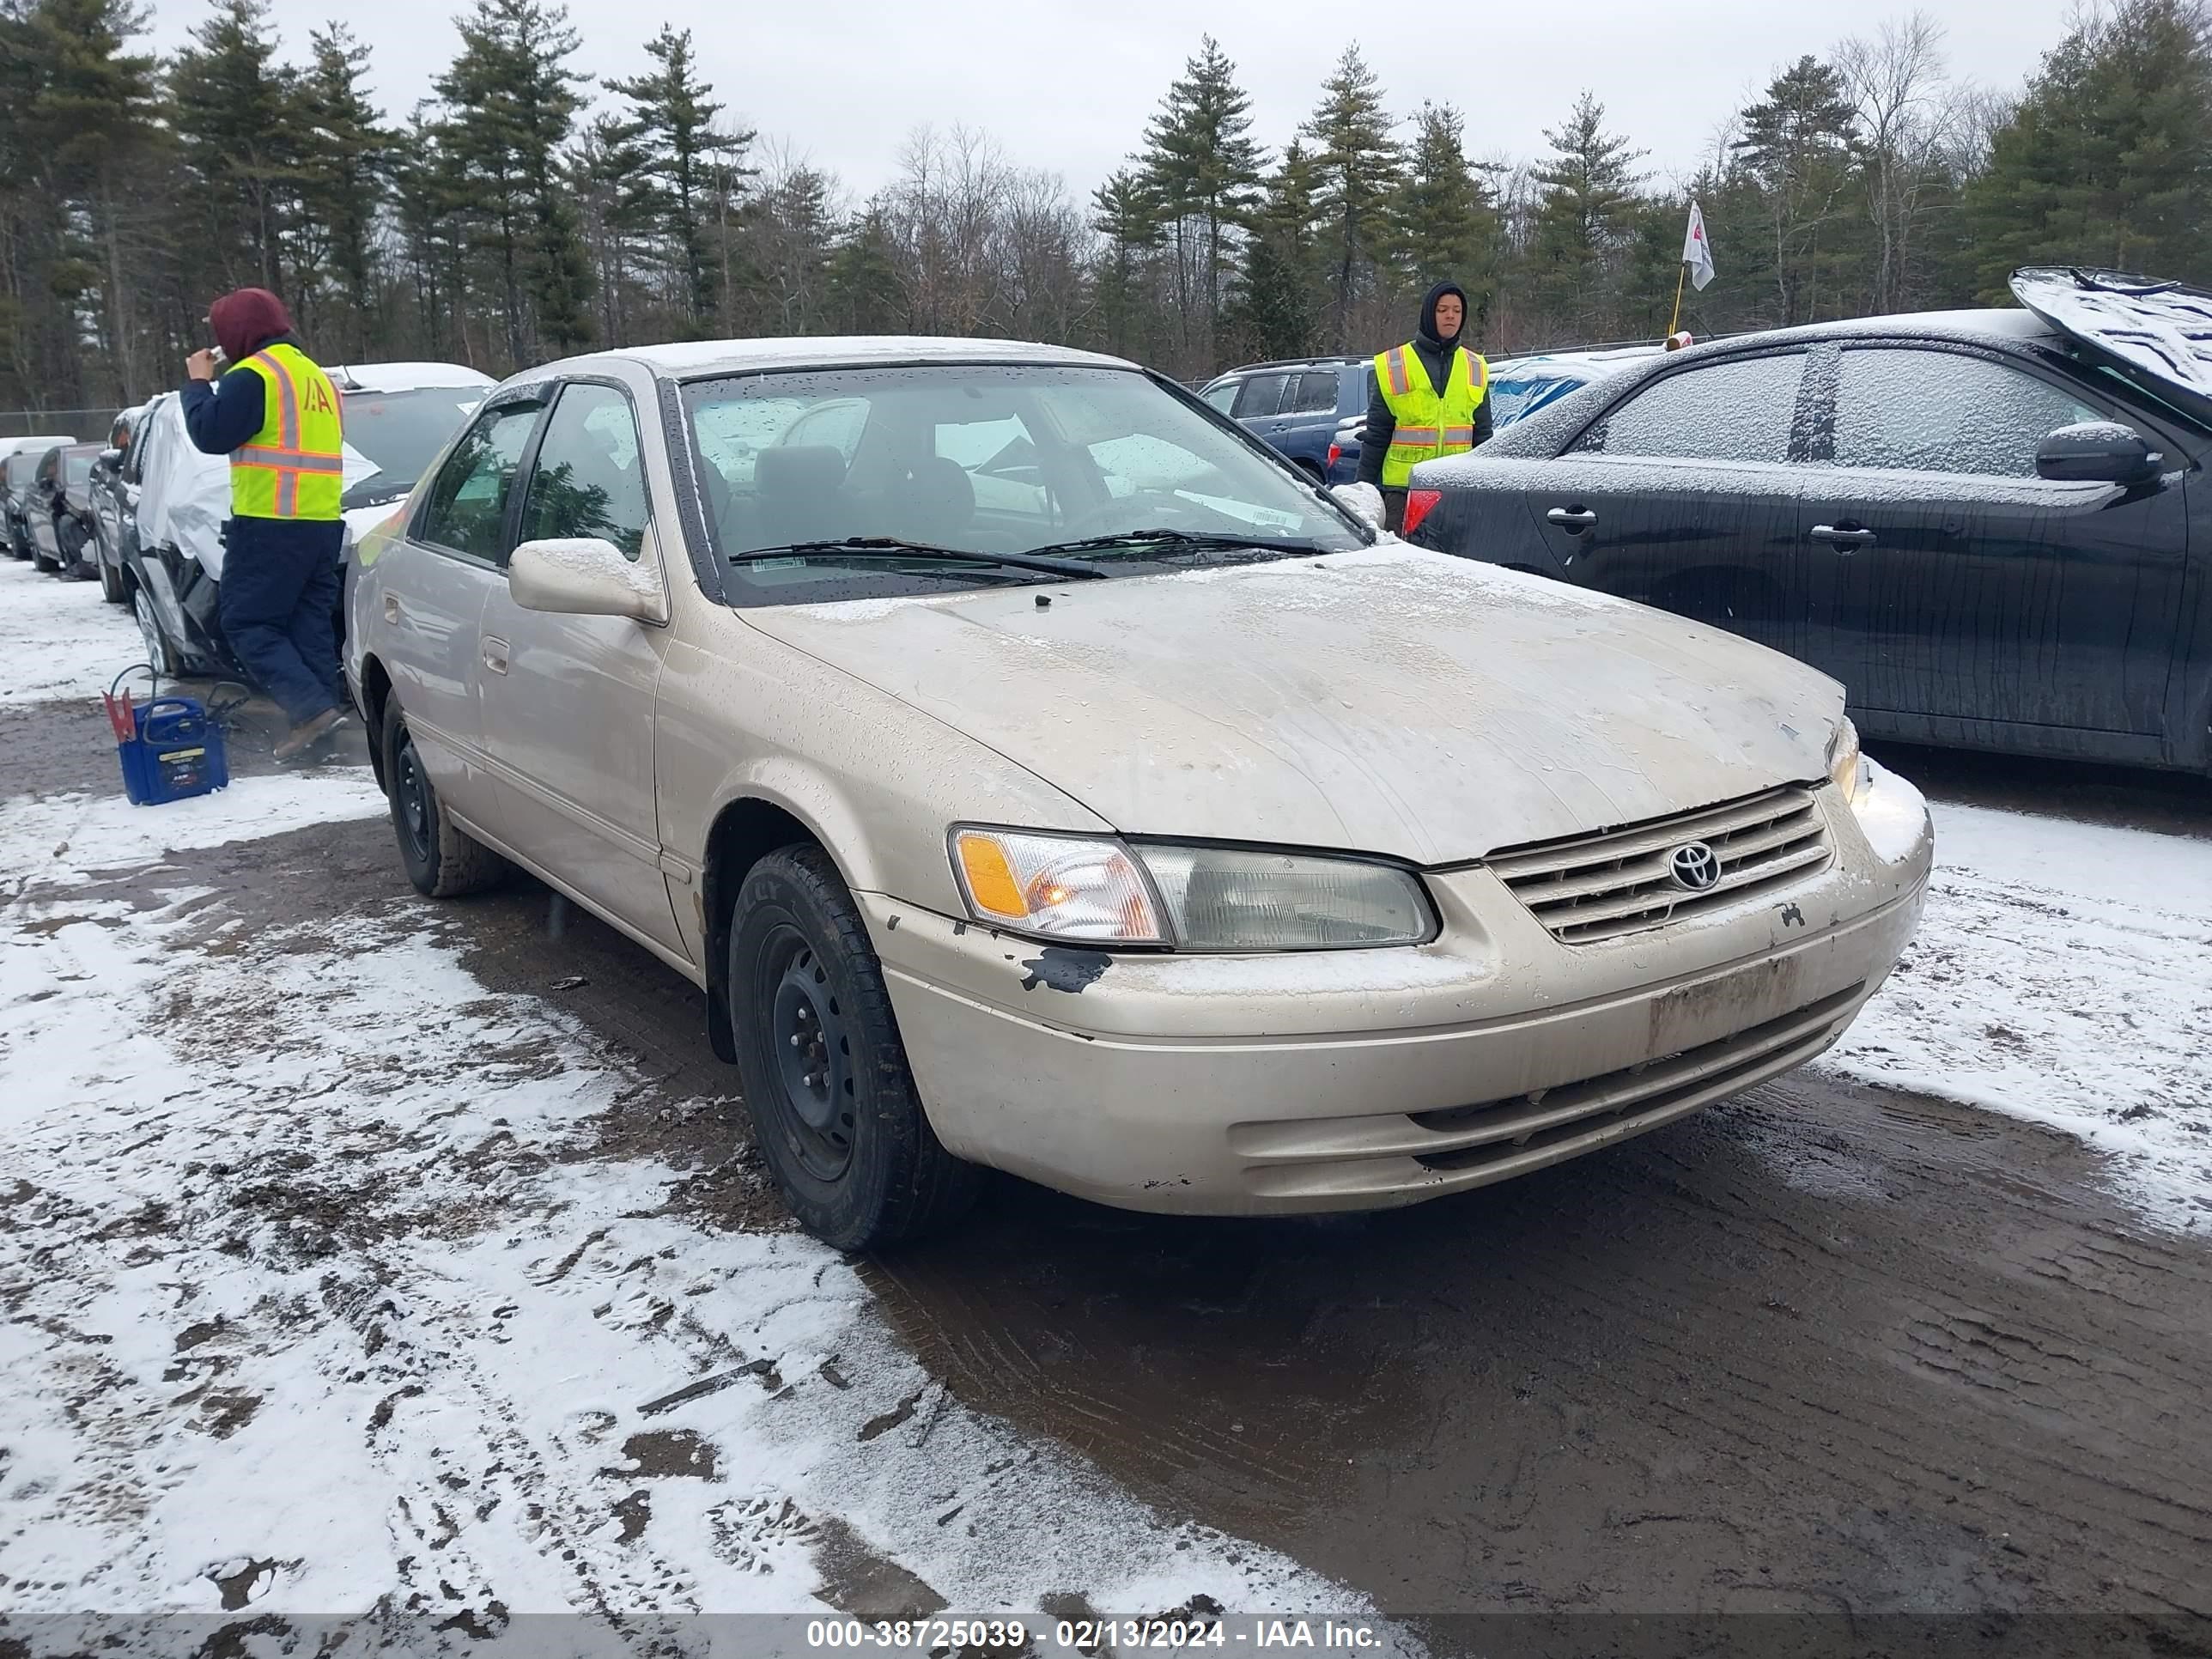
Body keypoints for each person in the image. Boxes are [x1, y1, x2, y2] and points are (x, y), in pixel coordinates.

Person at [181, 288, 350, 763]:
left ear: (238, 332)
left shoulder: (254, 374)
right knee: (306, 627)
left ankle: (312, 709)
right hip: (321, 523)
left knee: (247, 622)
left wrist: (197, 384)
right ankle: (320, 735)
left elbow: (211, 434)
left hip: (271, 522)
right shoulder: (315, 377)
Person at [1357, 282, 1493, 532]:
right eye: (1442, 310)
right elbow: (1377, 435)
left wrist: (1488, 489)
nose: (1451, 316)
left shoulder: (1476, 366)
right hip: (1403, 491)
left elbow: (1483, 436)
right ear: (1429, 313)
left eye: (1457, 310)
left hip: (1456, 488)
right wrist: (1363, 490)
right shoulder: (1395, 364)